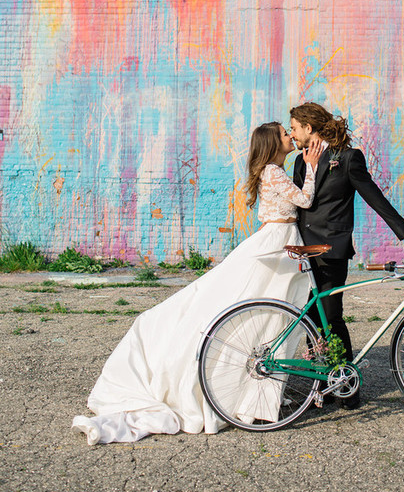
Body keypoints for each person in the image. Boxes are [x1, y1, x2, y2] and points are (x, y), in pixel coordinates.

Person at [72, 123, 323, 444]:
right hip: (277, 242)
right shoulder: (273, 171)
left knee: (273, 318)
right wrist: (313, 168)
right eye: (285, 133)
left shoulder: (274, 169)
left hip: (283, 240)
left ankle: (260, 393)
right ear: (273, 142)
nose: (291, 135)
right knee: (263, 312)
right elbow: (304, 200)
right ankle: (250, 390)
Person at [289, 102, 404, 407]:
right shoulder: (300, 161)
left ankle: (347, 387)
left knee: (332, 316)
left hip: (331, 250)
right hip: (301, 249)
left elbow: (376, 198)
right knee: (310, 317)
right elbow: (297, 202)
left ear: (309, 128)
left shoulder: (349, 159)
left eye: (296, 128)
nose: (293, 134)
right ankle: (322, 381)